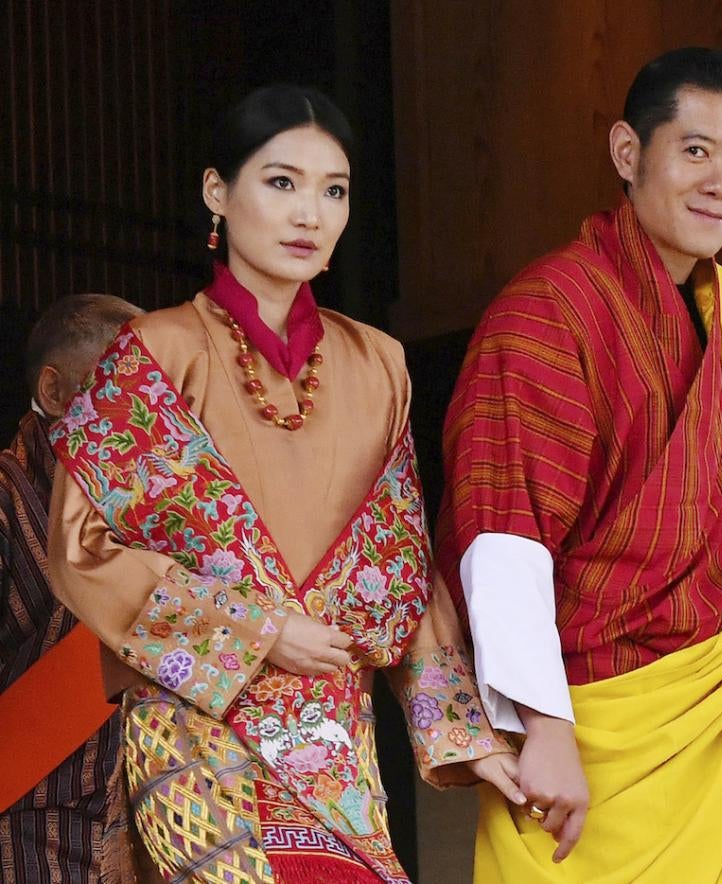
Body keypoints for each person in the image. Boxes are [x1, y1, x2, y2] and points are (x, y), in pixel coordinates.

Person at [47, 85, 521, 884]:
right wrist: (260, 630)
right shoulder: (153, 352)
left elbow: (405, 575)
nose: (311, 213)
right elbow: (81, 548)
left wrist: (466, 733)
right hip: (195, 734)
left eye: (333, 191)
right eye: (281, 182)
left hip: (336, 742)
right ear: (216, 194)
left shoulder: (380, 364)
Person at [437, 47, 722, 882]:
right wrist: (544, 730)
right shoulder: (547, 314)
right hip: (595, 738)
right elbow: (504, 535)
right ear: (629, 154)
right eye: (695, 151)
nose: (721, 183)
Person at [0, 294, 142, 882]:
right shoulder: (8, 501)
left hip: (140, 819)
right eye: (118, 397)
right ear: (55, 392)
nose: (142, 422)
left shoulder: (156, 514)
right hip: (24, 829)